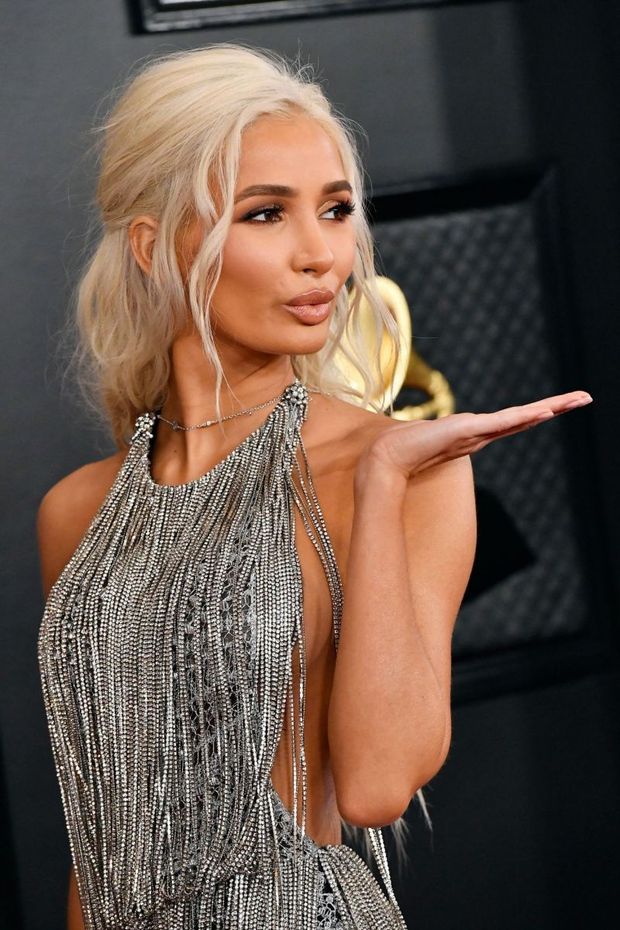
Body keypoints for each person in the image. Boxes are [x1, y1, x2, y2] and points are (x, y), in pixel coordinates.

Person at [35, 43, 592, 930]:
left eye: (336, 210)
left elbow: (375, 786)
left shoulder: (405, 470)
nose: (320, 254)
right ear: (153, 246)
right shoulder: (75, 512)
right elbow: (100, 832)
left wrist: (377, 485)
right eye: (265, 215)